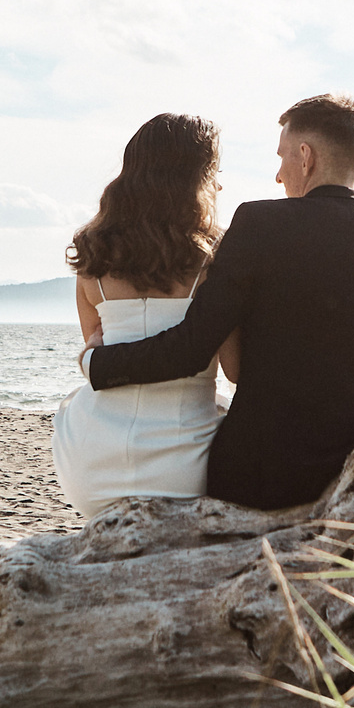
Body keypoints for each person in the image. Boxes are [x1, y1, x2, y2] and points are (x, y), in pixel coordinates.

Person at [80, 94, 354, 511]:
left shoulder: (257, 225)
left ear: (305, 157)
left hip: (259, 477)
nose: (277, 175)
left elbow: (189, 348)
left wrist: (96, 363)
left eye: (282, 156)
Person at [51, 114, 241, 522]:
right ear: (197, 178)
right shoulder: (217, 259)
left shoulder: (91, 255)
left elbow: (97, 346)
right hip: (181, 470)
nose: (220, 185)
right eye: (215, 173)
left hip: (90, 462)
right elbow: (235, 367)